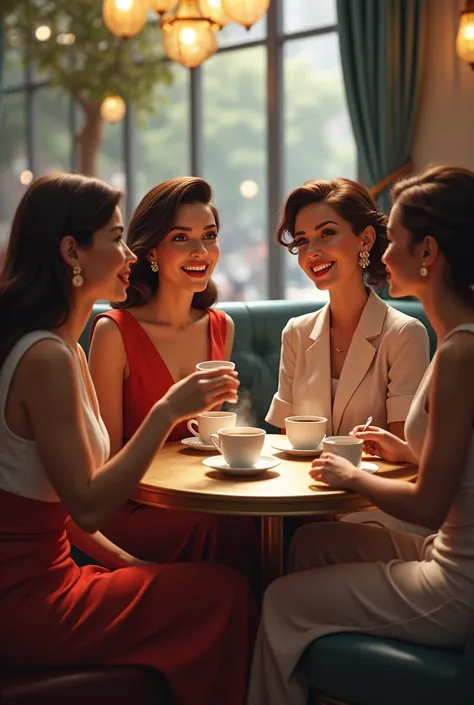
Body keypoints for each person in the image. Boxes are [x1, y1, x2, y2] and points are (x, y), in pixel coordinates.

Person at [0, 173, 257, 705]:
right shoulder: (47, 356)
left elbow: (70, 508)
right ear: (72, 251)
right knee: (223, 594)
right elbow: (91, 505)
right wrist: (166, 411)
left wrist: (134, 567)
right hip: (26, 599)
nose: (129, 254)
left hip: (51, 575)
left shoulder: (61, 349)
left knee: (222, 572)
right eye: (116, 238)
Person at [247, 165, 474, 705]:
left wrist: (353, 475)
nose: (385, 255)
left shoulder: (457, 349)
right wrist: (407, 449)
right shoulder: (459, 341)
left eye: (392, 238)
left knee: (280, 601)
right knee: (307, 546)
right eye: (302, 240)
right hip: (446, 548)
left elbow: (427, 504)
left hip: (456, 580)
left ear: (429, 252)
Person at [88, 177, 258, 577]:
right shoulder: (114, 331)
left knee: (266, 523)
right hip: (133, 508)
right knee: (225, 530)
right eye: (181, 238)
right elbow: (106, 463)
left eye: (209, 236)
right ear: (151, 251)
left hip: (200, 496)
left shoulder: (221, 326)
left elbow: (207, 438)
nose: (200, 251)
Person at [266, 177, 430, 534]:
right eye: (303, 240)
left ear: (365, 239)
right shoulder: (296, 332)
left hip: (376, 508)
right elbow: (283, 442)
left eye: (327, 233)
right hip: (303, 501)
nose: (312, 252)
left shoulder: (404, 334)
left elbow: (404, 458)